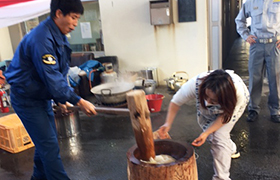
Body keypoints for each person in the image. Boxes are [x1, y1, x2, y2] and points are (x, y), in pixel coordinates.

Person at [4, 0, 97, 180]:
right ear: (58, 13)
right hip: (26, 99)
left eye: (77, 18)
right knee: (49, 146)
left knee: (46, 144)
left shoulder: (59, 35)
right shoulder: (42, 39)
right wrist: (78, 100)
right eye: (73, 17)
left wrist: (61, 99)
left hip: (41, 96)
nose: (75, 24)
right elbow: (52, 78)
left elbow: (59, 72)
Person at [157, 69, 249, 180]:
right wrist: (168, 123)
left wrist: (207, 133)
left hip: (231, 108)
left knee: (218, 136)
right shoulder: (196, 84)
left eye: (213, 101)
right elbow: (176, 101)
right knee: (213, 134)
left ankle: (221, 177)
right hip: (214, 102)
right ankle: (230, 147)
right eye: (206, 96)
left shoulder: (236, 96)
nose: (207, 102)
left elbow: (224, 117)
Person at [235, 1, 280, 123]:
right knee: (255, 78)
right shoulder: (251, 3)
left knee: (275, 79)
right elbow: (239, 20)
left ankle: (275, 110)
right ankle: (253, 109)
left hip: (274, 45)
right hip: (256, 44)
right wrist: (246, 35)